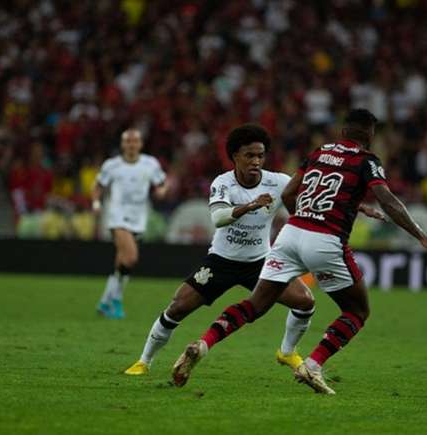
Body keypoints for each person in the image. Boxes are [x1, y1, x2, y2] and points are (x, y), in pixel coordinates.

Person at [171, 109, 427, 394]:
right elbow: (387, 199)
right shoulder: (367, 161)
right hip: (326, 240)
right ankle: (312, 366)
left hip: (290, 234)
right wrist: (422, 236)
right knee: (357, 310)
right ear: (369, 135)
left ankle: (202, 344)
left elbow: (289, 194)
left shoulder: (319, 152)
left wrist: (306, 221)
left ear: (343, 132)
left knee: (256, 304)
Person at [124, 124, 319, 375]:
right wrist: (250, 206)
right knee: (178, 306)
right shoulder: (223, 183)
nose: (256, 161)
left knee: (305, 301)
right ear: (235, 156)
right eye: (249, 155)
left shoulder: (278, 182)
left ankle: (287, 352)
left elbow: (307, 202)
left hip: (261, 262)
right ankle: (144, 361)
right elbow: (218, 218)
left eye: (260, 155)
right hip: (222, 261)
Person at [93, 129, 167, 318]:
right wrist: (96, 203)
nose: (131, 145)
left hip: (138, 217)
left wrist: (162, 191)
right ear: (122, 144)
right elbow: (98, 185)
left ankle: (105, 301)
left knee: (122, 261)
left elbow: (163, 182)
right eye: (128, 141)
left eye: (135, 141)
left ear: (140, 144)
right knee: (131, 257)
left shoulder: (150, 164)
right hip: (117, 215)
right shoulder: (112, 165)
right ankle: (116, 301)